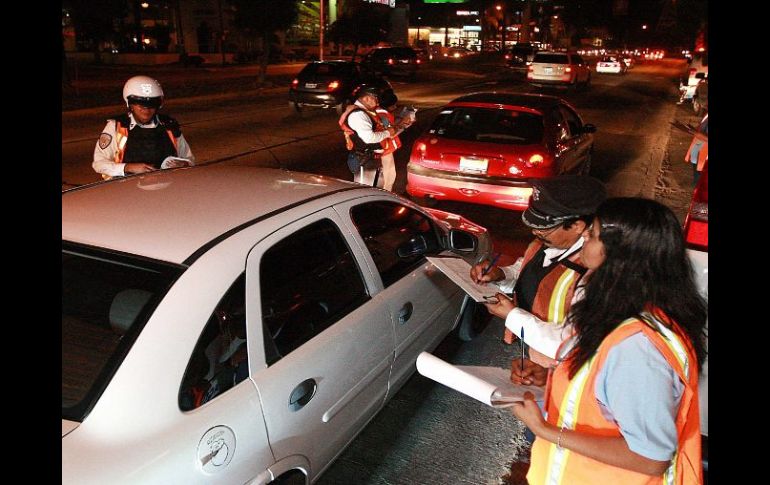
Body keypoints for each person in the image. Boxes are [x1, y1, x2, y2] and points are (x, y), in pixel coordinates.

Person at [507, 197, 706, 484]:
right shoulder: (618, 312)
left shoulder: (637, 347)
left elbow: (650, 457)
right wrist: (552, 377)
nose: (584, 237)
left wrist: (545, 430)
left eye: (593, 234)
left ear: (619, 255)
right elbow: (604, 389)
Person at [471, 175, 606, 368]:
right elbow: (528, 274)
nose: (535, 232)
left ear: (577, 226)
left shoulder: (594, 274)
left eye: (544, 228)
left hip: (559, 367)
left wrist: (513, 317)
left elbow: (572, 342)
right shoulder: (543, 243)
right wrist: (500, 274)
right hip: (534, 352)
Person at [93, 75, 195, 180]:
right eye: (141, 106)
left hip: (167, 187)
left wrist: (183, 164)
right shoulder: (117, 127)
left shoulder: (169, 126)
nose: (146, 111)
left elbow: (189, 159)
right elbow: (99, 163)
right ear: (130, 105)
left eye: (151, 105)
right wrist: (128, 167)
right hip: (126, 188)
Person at [338, 85, 402, 186]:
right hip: (365, 160)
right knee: (365, 191)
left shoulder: (364, 112)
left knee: (376, 188)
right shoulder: (358, 115)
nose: (378, 102)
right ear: (366, 98)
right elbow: (369, 138)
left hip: (371, 158)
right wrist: (388, 133)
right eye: (376, 99)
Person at [374, 92, 414, 192]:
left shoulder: (376, 111)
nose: (395, 107)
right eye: (394, 105)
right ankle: (386, 194)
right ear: (389, 106)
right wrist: (404, 123)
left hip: (380, 149)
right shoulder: (383, 116)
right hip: (385, 150)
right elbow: (390, 133)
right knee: (389, 176)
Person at [685, 111, 707, 185]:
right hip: (698, 153)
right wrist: (692, 129)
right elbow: (702, 129)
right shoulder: (707, 114)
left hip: (705, 157)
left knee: (701, 182)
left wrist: (695, 133)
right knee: (697, 177)